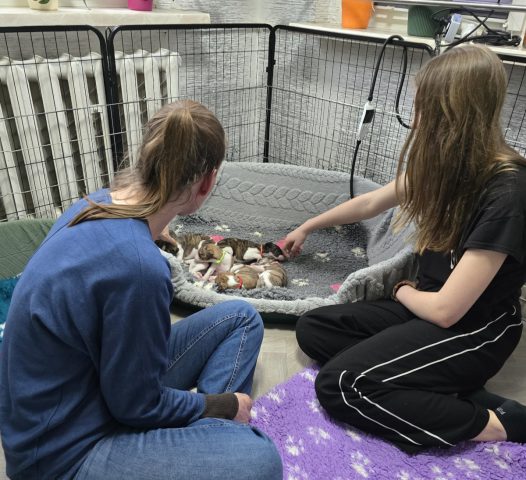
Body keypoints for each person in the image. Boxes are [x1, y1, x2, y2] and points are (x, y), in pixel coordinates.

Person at [0, 100, 282, 479]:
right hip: (63, 456)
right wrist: (222, 405)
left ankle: (202, 439)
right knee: (261, 459)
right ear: (207, 182)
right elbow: (136, 406)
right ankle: (209, 435)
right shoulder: (140, 269)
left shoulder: (96, 202)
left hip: (84, 393)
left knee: (242, 318)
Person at [283, 45, 526, 453]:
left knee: (341, 384)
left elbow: (447, 311)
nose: (413, 121)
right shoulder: (445, 166)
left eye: (421, 109)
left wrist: (401, 291)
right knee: (314, 328)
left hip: (474, 329)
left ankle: (498, 422)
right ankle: (433, 382)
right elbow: (369, 203)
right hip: (426, 307)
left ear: (453, 113)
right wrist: (307, 226)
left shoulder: (509, 192)